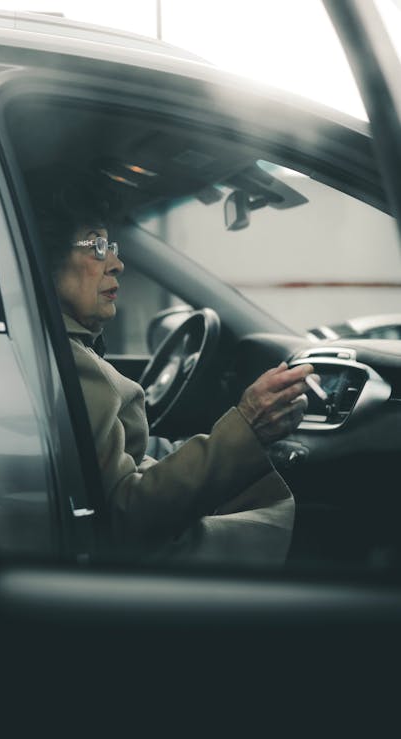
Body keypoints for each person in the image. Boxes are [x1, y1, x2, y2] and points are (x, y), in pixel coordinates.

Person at [41, 194, 314, 565]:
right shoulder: (71, 364)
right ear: (44, 261)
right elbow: (123, 518)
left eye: (113, 247)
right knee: (315, 533)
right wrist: (248, 428)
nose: (117, 264)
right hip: (146, 568)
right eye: (97, 246)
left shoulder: (61, 350)